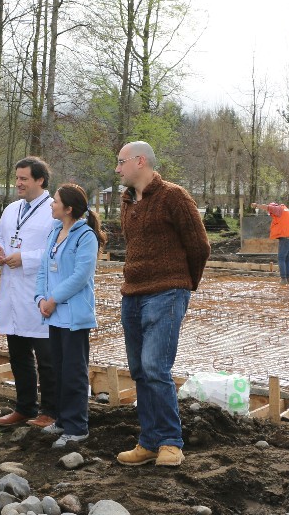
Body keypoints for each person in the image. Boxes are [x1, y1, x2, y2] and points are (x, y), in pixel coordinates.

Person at [114, 141, 210, 468]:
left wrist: (184, 285)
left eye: (121, 162)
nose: (118, 168)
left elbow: (199, 247)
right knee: (140, 370)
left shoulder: (174, 197)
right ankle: (149, 441)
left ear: (140, 161)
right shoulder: (127, 201)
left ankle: (171, 442)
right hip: (133, 294)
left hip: (167, 292)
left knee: (156, 367)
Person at [0, 157, 56, 428]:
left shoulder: (54, 209)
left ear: (39, 180)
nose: (18, 183)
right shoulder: (12, 208)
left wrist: (25, 258)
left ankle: (51, 410)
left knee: (47, 357)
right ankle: (25, 406)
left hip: (37, 293)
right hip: (12, 291)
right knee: (18, 354)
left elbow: (57, 250)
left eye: (24, 179)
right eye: (17, 178)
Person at [35, 184, 102, 449]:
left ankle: (77, 426)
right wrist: (40, 298)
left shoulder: (85, 237)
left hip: (73, 316)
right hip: (54, 315)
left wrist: (53, 299)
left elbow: (80, 277)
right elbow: (44, 269)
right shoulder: (54, 231)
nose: (51, 203)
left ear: (69, 208)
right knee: (59, 370)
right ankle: (63, 420)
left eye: (56, 201)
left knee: (73, 373)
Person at [251, 201, 289, 284]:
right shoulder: (288, 211)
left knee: (281, 258)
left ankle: (283, 279)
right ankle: (287, 279)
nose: (271, 214)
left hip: (285, 240)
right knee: (287, 258)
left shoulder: (278, 209)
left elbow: (267, 207)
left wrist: (256, 205)